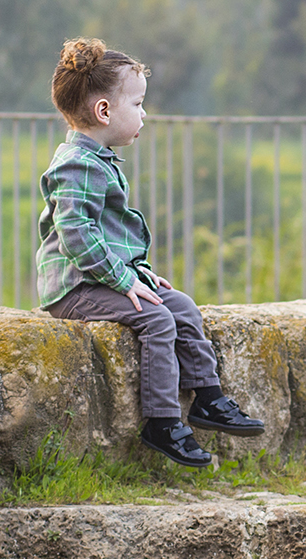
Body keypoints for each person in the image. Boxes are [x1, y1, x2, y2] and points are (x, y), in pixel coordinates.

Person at [34, 37, 264, 467]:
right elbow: (76, 235)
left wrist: (137, 271)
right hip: (75, 288)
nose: (144, 114)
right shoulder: (76, 163)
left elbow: (108, 235)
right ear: (104, 112)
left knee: (180, 305)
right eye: (138, 104)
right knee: (157, 318)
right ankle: (162, 422)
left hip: (101, 277)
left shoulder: (98, 160)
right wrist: (123, 280)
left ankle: (208, 398)